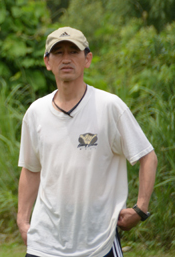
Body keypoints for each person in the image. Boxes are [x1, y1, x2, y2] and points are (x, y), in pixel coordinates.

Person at [17, 26, 158, 257]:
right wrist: (22, 220)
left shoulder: (109, 107)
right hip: (44, 244)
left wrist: (141, 209)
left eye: (73, 51)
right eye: (58, 52)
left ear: (87, 59)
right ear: (47, 62)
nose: (66, 59)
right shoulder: (36, 112)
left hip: (98, 244)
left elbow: (147, 157)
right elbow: (31, 169)